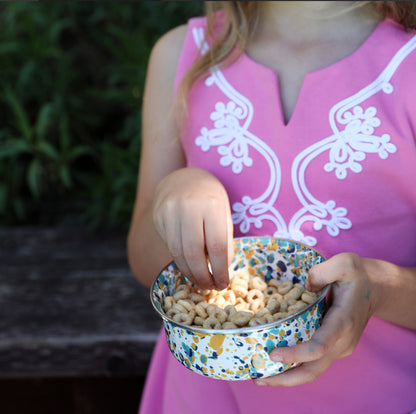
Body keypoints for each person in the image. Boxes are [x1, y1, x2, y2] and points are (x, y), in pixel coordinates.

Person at [127, 1, 416, 413]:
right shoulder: (182, 55)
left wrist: (380, 289)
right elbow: (144, 260)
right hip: (204, 398)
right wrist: (176, 190)